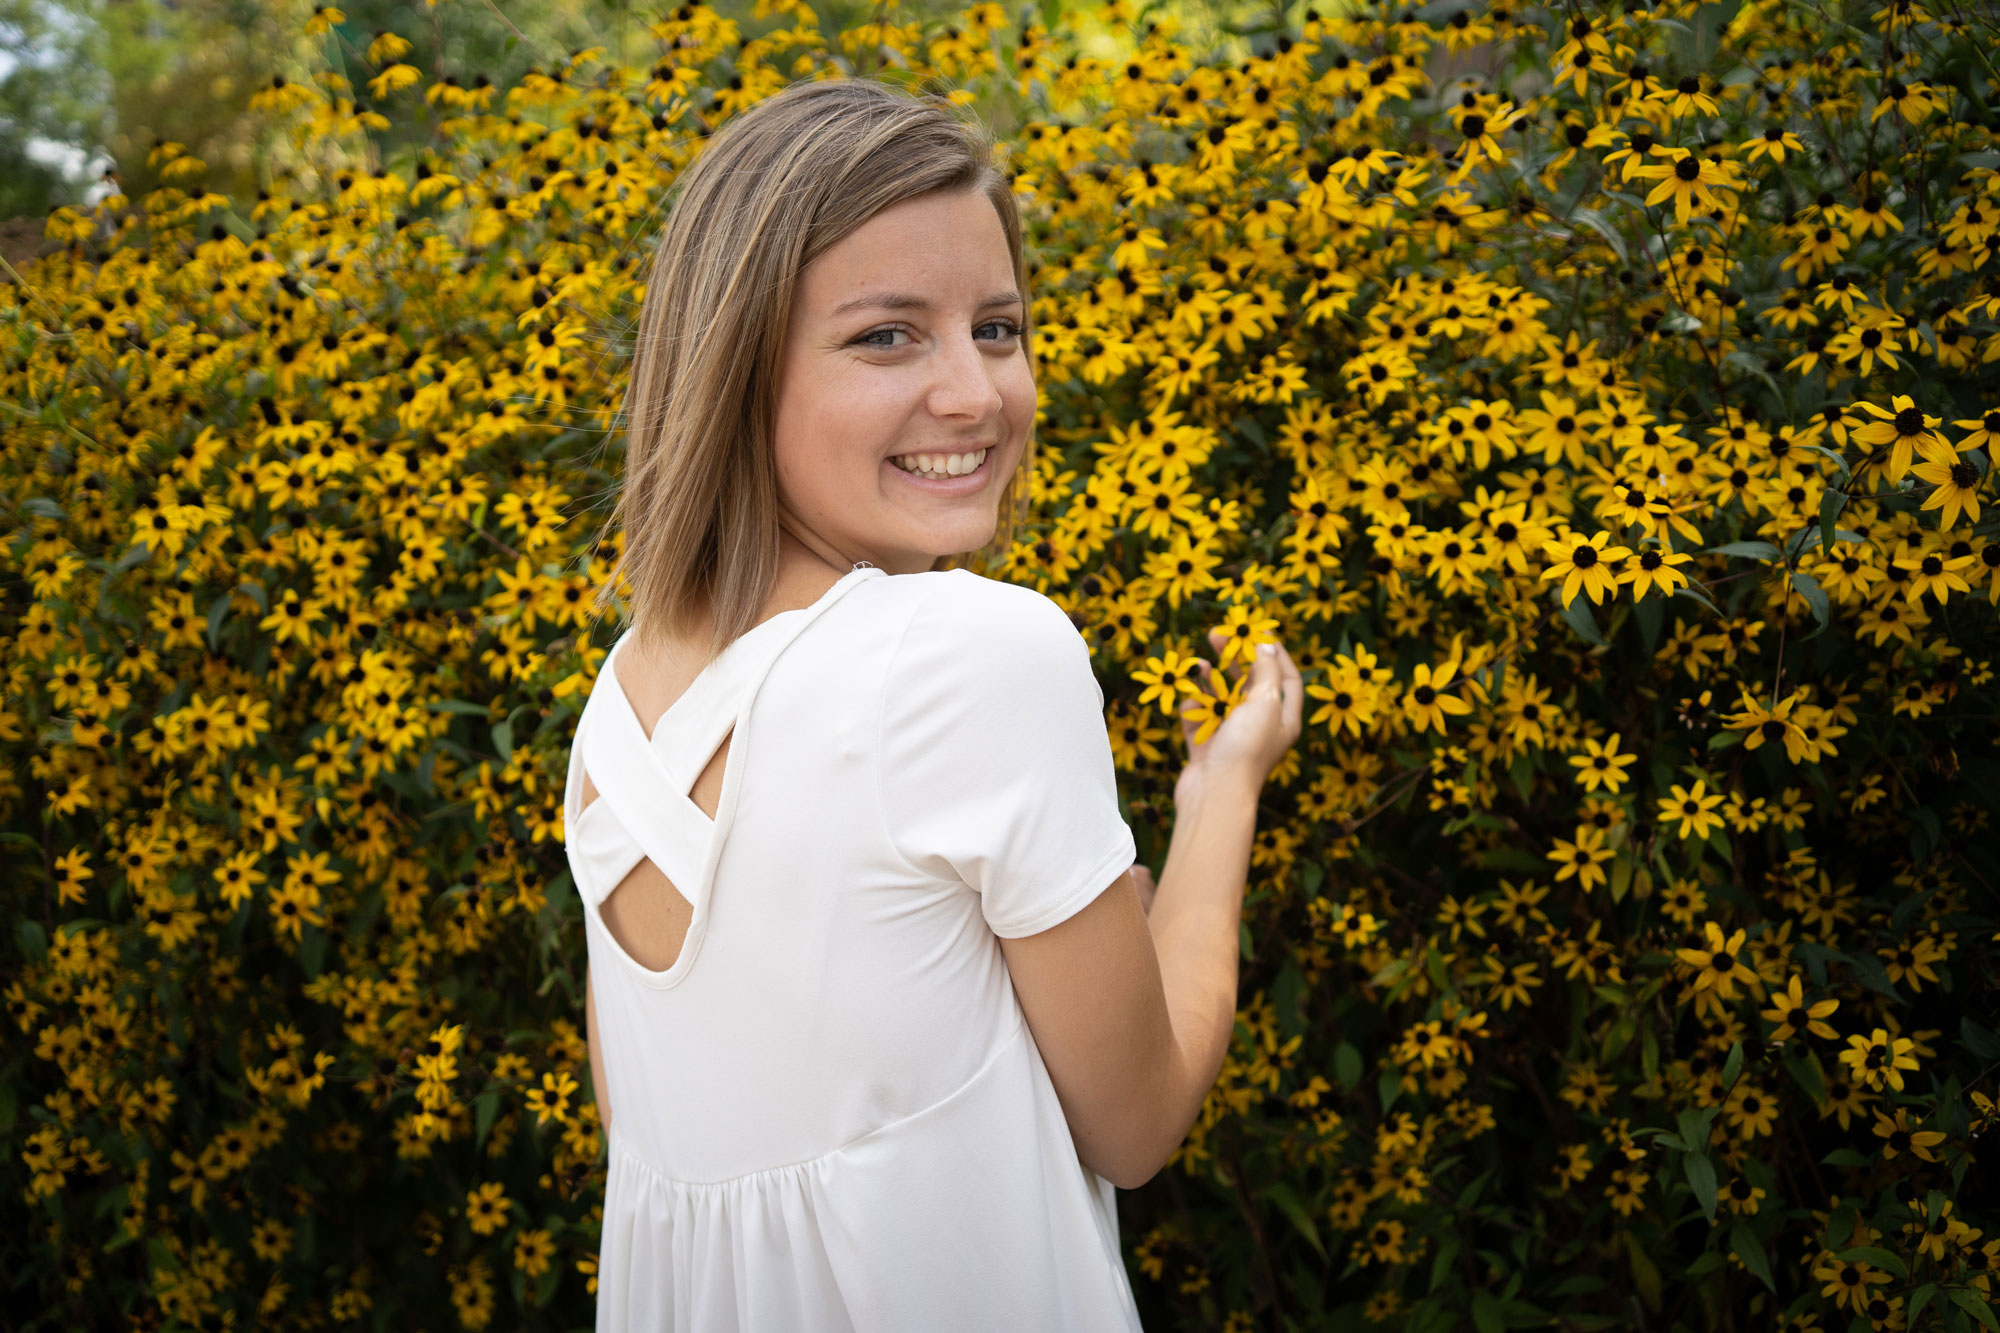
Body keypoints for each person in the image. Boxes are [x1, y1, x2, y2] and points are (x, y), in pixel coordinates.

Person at [565, 75, 1302, 1332]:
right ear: (735, 369)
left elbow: (666, 1104)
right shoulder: (969, 652)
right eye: (886, 336)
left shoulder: (626, 690)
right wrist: (1220, 788)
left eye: (998, 329)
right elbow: (1134, 1123)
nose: (976, 395)